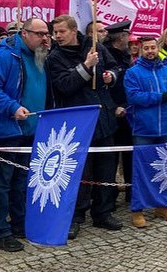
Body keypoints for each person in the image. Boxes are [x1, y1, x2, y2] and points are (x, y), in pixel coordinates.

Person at [46, 15, 122, 238]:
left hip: (104, 117)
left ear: (73, 30)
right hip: (77, 120)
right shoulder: (55, 57)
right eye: (55, 32)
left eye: (61, 31)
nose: (57, 36)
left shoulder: (94, 45)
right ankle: (76, 215)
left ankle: (103, 212)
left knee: (106, 168)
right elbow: (65, 86)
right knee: (79, 171)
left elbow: (116, 67)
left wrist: (110, 76)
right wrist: (86, 66)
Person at [0, 18, 50, 252]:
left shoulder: (38, 56)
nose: (44, 38)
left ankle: (18, 224)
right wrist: (11, 107)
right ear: (25, 33)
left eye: (46, 34)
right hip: (5, 131)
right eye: (39, 34)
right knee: (1, 185)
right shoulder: (6, 55)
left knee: (20, 182)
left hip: (29, 131)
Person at [123, 36, 167, 227]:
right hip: (143, 129)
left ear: (158, 48)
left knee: (164, 169)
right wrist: (160, 97)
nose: (150, 51)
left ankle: (162, 205)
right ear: (141, 50)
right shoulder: (133, 72)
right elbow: (134, 96)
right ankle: (137, 210)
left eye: (152, 47)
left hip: (164, 128)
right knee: (141, 170)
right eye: (146, 48)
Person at [104, 20, 134, 204]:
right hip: (112, 112)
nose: (129, 39)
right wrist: (115, 106)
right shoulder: (106, 54)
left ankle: (131, 192)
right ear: (121, 37)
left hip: (128, 111)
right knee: (111, 157)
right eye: (126, 36)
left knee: (129, 153)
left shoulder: (125, 55)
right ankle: (110, 195)